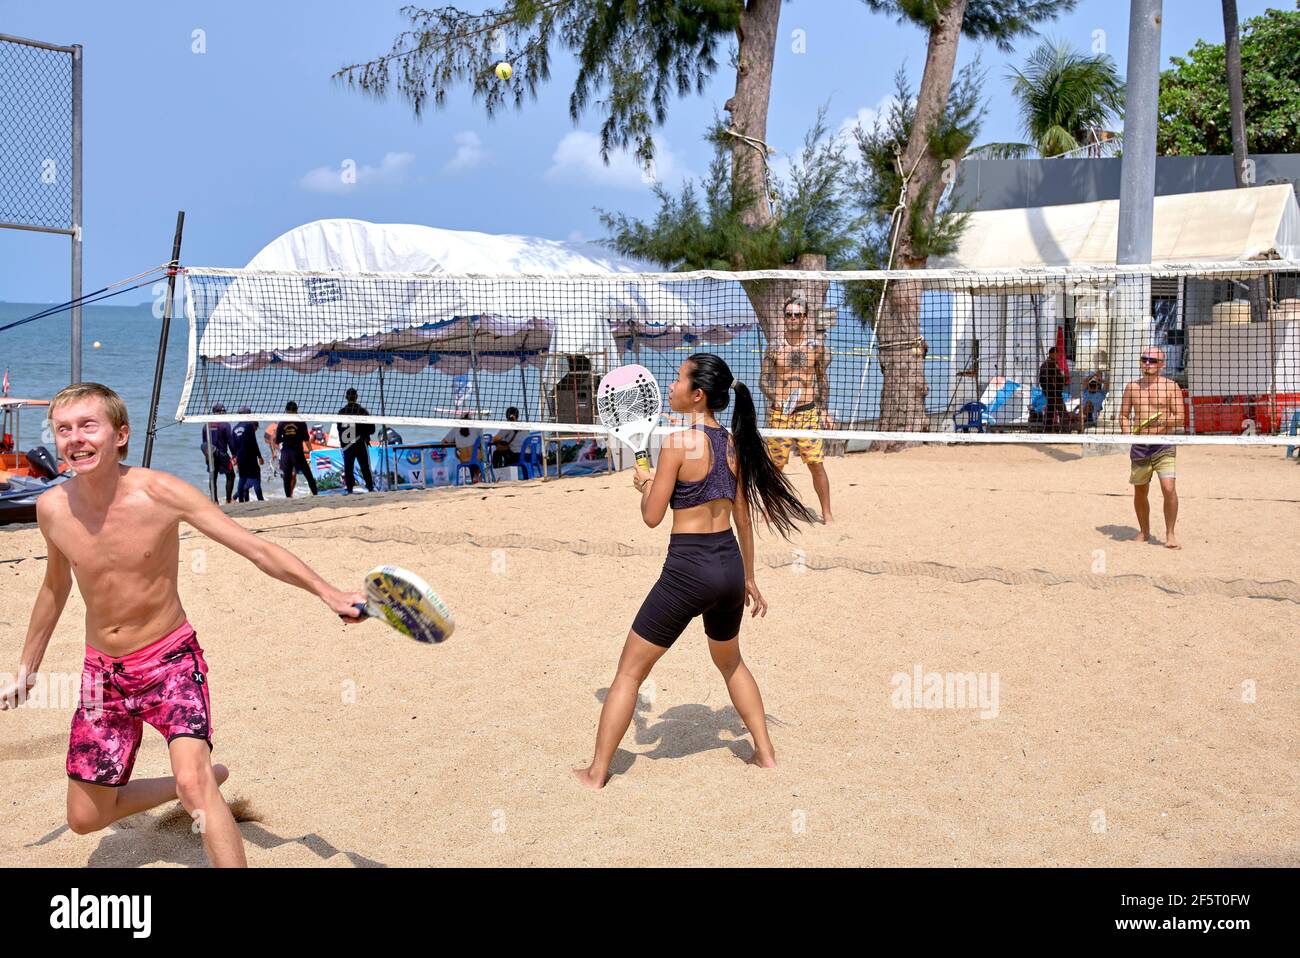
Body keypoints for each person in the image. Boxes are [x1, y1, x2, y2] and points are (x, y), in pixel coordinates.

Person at [0, 383, 364, 867]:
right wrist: (28, 666)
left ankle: (195, 783)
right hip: (101, 676)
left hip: (170, 661)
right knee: (86, 818)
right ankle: (191, 779)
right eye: (64, 429)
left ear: (120, 434)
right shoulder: (53, 508)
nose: (75, 439)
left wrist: (329, 592)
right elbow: (54, 587)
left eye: (89, 425)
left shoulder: (162, 493)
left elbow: (255, 549)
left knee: (197, 790)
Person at [573, 353, 818, 790]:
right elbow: (743, 518)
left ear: (698, 394)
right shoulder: (732, 442)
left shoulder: (676, 444)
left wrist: (644, 483)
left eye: (679, 377)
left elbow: (652, 516)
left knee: (628, 673)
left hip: (688, 569)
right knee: (732, 663)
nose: (671, 383)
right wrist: (748, 576)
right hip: (728, 566)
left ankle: (595, 774)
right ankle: (765, 754)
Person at [759, 295, 833, 523]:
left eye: (797, 315)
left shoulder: (816, 348)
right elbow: (763, 381)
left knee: (816, 464)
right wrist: (776, 399)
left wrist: (824, 410)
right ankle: (770, 510)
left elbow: (822, 381)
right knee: (774, 466)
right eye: (788, 314)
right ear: (784, 318)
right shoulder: (774, 347)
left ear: (805, 318)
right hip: (780, 413)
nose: (792, 318)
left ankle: (827, 513)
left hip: (807, 413)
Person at [1120, 346, 1185, 549]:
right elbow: (1123, 415)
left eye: (1153, 360)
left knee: (1168, 488)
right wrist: (1127, 433)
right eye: (1144, 359)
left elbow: (1181, 418)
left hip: (1163, 444)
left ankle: (1170, 534)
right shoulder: (1132, 387)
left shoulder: (1171, 386)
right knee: (1140, 491)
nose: (1147, 363)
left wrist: (1166, 422)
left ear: (1162, 365)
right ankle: (1144, 531)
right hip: (1140, 445)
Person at [336, 388, 375, 495]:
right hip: (360, 443)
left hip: (347, 444)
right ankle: (370, 488)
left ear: (346, 398)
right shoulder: (362, 411)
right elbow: (372, 430)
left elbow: (339, 429)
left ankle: (349, 490)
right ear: (356, 397)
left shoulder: (341, 412)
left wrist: (343, 443)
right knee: (365, 467)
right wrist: (362, 432)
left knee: (348, 468)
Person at [275, 401, 318, 498]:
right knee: (308, 474)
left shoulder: (282, 423)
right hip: (297, 451)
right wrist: (311, 451)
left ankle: (288, 497)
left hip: (286, 452)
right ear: (296, 410)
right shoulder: (301, 422)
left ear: (286, 410)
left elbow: (277, 440)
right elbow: (306, 439)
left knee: (287, 476)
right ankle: (315, 494)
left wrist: (285, 438)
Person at [200, 403, 236, 503]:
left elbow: (204, 443)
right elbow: (230, 441)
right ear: (220, 412)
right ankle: (228, 500)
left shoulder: (206, 425)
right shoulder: (225, 424)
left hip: (211, 455)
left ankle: (214, 501)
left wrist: (206, 457)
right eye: (223, 412)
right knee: (231, 475)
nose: (224, 413)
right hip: (222, 454)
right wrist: (234, 454)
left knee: (213, 477)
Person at [230, 408, 264, 502]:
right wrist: (259, 456)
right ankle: (260, 500)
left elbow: (233, 445)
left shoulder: (234, 429)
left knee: (242, 478)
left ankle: (241, 500)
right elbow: (253, 443)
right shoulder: (249, 426)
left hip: (240, 457)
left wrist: (235, 457)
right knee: (256, 478)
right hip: (250, 456)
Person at [1038, 346, 1068, 433]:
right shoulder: (1049, 365)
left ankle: (1048, 430)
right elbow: (1046, 380)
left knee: (1051, 411)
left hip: (1052, 392)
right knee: (1062, 411)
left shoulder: (1052, 364)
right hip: (1054, 392)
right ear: (1052, 354)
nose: (1058, 355)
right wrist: (1052, 388)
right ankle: (1065, 431)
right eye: (1057, 353)